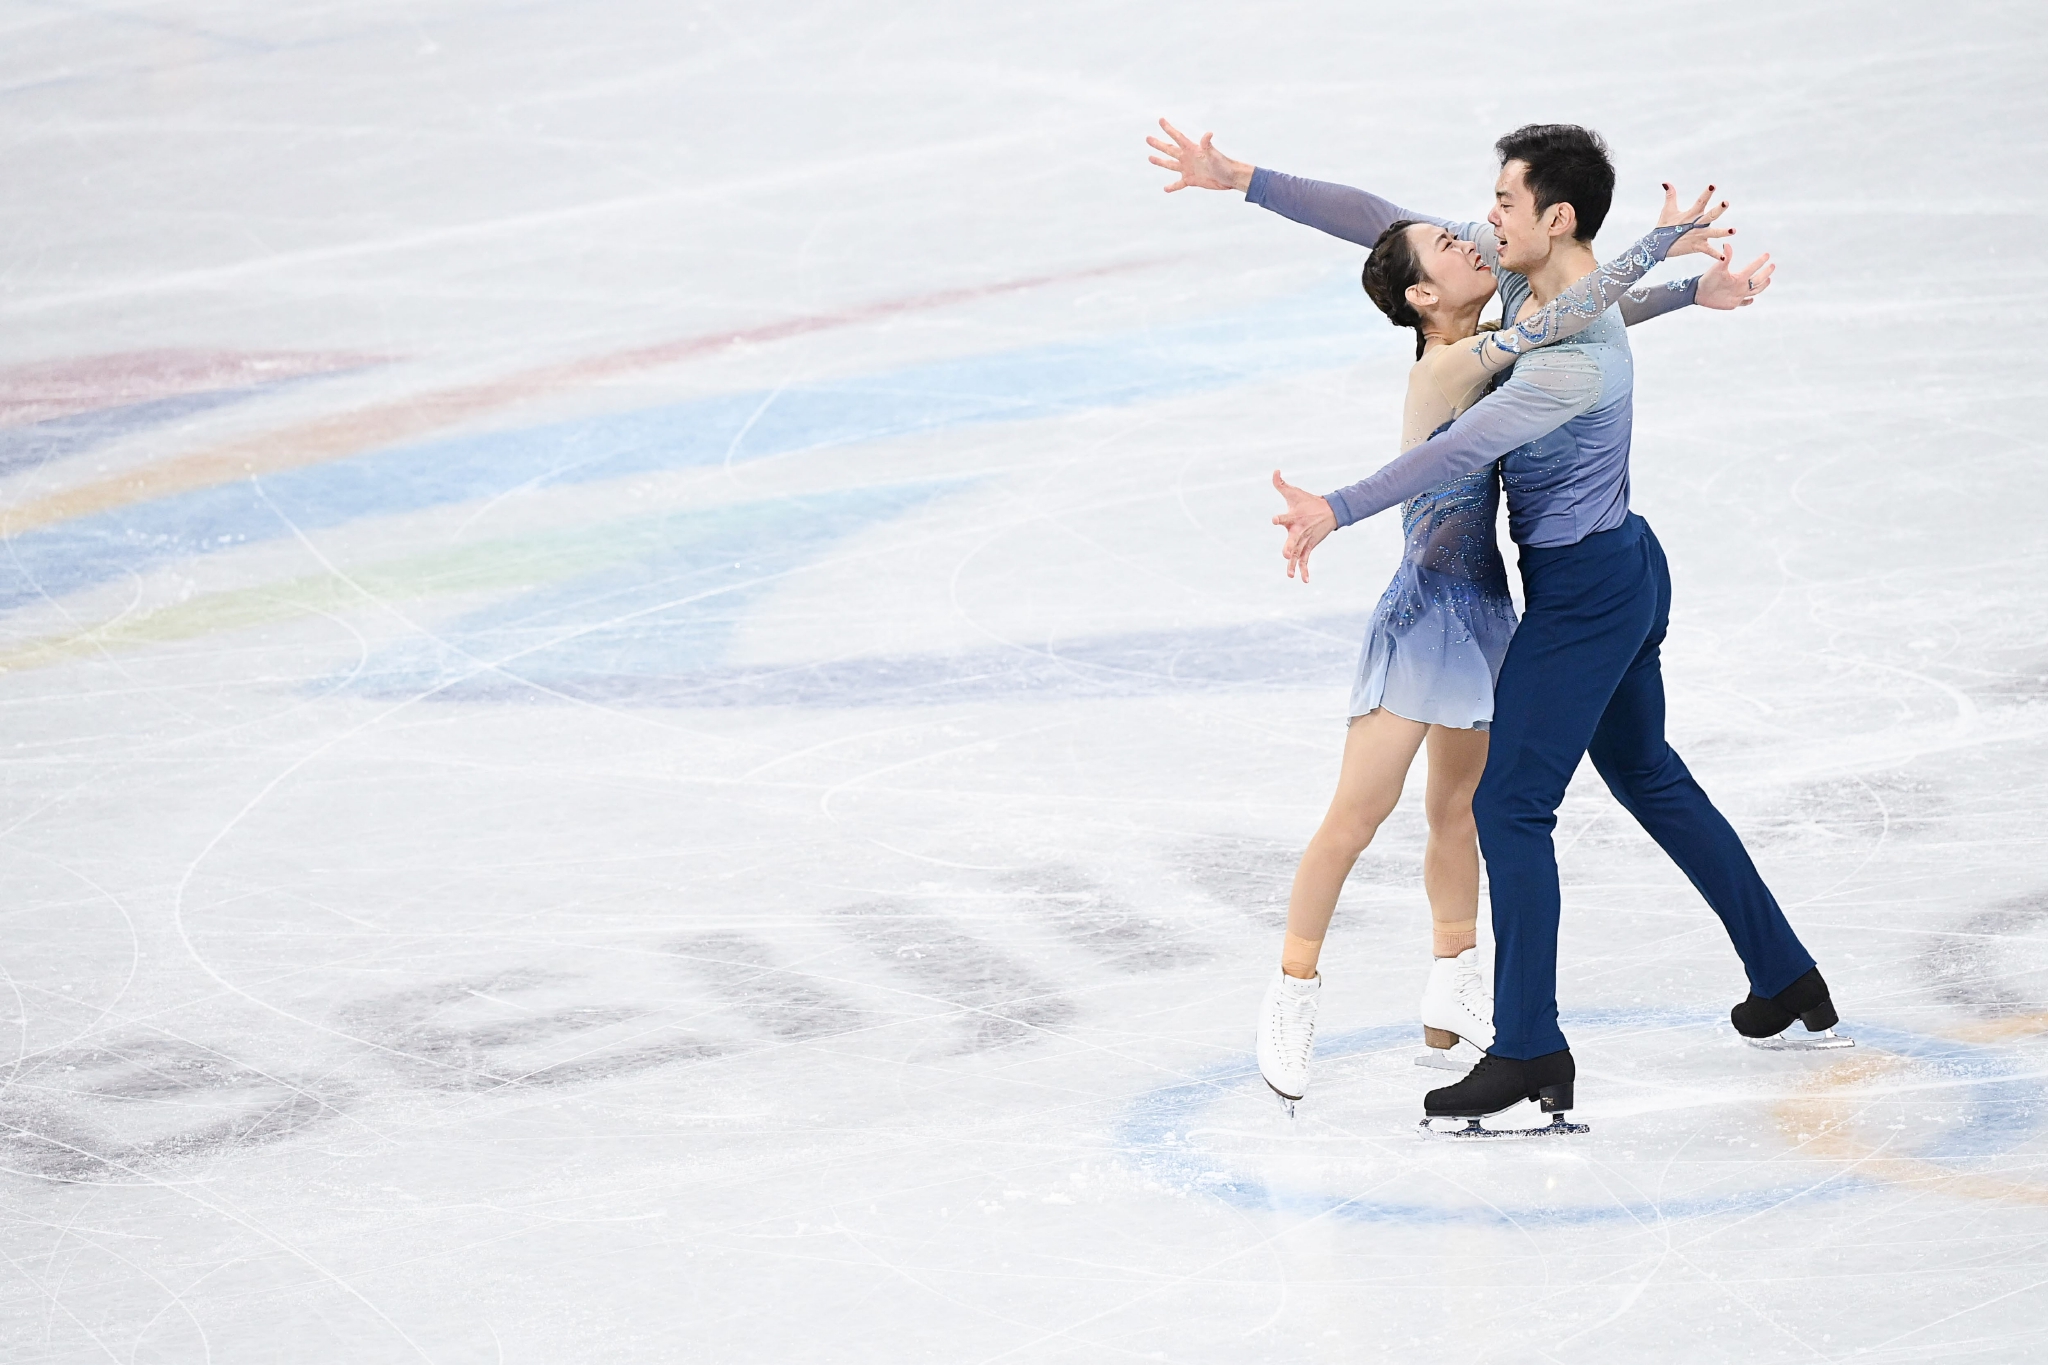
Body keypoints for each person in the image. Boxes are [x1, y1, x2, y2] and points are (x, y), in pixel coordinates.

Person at [1153, 119, 1838, 1132]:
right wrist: (1242, 178)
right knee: (1640, 774)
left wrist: (1334, 507)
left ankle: (1526, 1048)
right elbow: (1380, 222)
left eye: (1502, 205)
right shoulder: (1529, 288)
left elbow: (1449, 450)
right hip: (1610, 572)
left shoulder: (1553, 359)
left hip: (1577, 596)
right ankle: (1785, 977)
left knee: (1506, 811)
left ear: (1552, 220)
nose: (1479, 223)